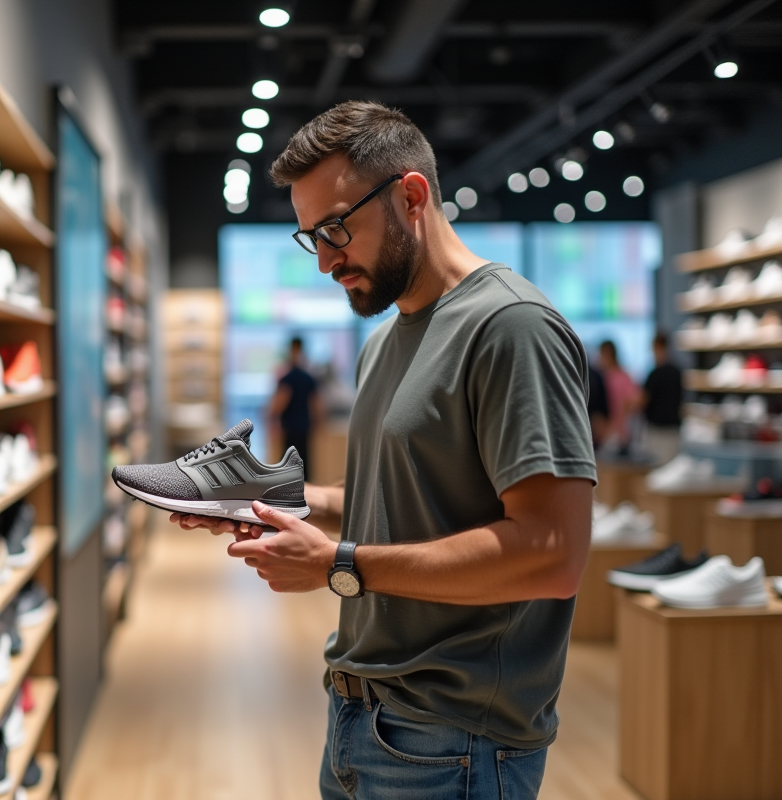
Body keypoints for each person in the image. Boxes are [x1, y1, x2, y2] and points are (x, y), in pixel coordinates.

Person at [172, 101, 595, 799]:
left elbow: (553, 553)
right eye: (312, 238)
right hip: (360, 718)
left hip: (455, 742)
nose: (328, 259)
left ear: (411, 195)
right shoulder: (386, 339)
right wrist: (268, 499)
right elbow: (393, 503)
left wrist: (339, 568)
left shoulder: (511, 327)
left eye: (338, 227)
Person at [267, 336, 320, 474]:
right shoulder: (308, 378)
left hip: (291, 428)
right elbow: (316, 406)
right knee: (304, 465)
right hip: (303, 428)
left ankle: (289, 493)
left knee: (289, 465)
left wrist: (271, 418)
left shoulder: (288, 379)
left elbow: (280, 403)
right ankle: (306, 492)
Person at [641, 332, 683, 463]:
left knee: (655, 469)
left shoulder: (655, 374)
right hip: (673, 430)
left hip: (657, 430)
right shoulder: (677, 371)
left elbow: (643, 400)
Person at [598, 340, 641, 454]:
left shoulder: (617, 377)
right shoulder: (604, 376)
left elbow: (634, 401)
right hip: (610, 432)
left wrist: (620, 421)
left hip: (616, 433)